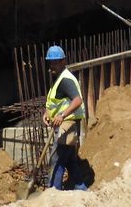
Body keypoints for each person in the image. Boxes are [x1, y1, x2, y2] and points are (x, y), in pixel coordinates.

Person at [42, 45, 87, 191]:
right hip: (64, 124)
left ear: (63, 61)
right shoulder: (58, 78)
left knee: (57, 158)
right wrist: (47, 113)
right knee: (69, 159)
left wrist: (62, 115)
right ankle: (80, 187)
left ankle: (53, 191)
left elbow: (77, 100)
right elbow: (55, 102)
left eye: (55, 62)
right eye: (50, 62)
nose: (52, 65)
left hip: (68, 124)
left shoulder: (66, 79)